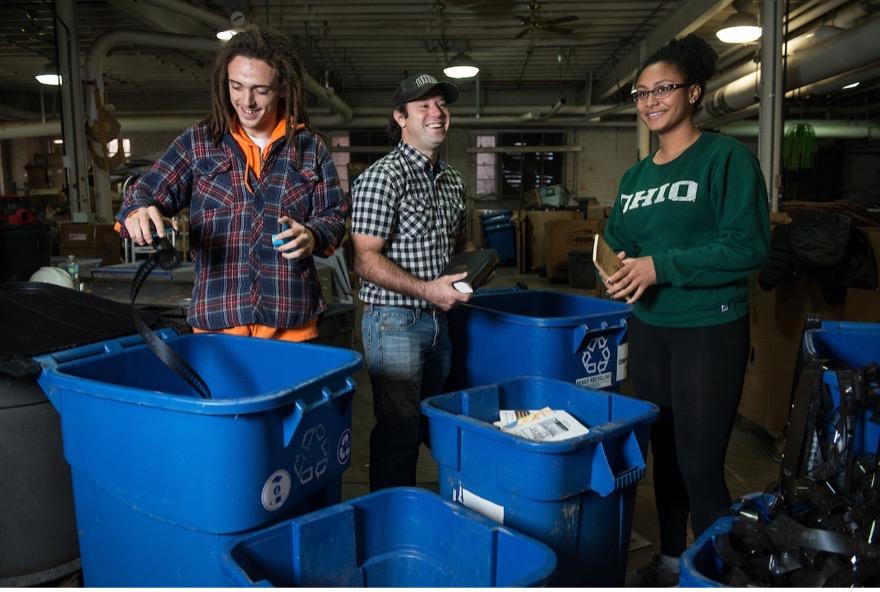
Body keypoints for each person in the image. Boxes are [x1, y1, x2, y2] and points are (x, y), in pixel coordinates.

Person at [600, 34, 770, 586]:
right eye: (641, 93)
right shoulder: (635, 178)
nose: (650, 100)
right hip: (649, 329)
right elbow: (618, 241)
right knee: (663, 460)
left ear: (694, 92)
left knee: (700, 463)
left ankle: (718, 572)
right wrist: (614, 272)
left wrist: (659, 267)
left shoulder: (725, 160)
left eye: (663, 89)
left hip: (709, 330)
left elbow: (747, 247)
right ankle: (672, 559)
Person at [116, 25, 349, 341]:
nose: (246, 101)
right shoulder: (199, 142)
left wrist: (312, 234)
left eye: (260, 90)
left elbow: (335, 216)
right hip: (217, 325)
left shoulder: (309, 148)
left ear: (282, 87)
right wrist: (138, 211)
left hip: (291, 326)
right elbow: (144, 191)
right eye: (236, 86)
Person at [350, 73, 473, 491]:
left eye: (441, 105)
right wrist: (427, 290)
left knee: (435, 418)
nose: (436, 114)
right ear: (401, 117)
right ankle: (391, 522)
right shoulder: (382, 178)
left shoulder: (452, 179)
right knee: (399, 432)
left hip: (441, 320)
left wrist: (471, 272)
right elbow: (364, 259)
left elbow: (460, 241)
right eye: (423, 106)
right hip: (394, 321)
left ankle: (434, 511)